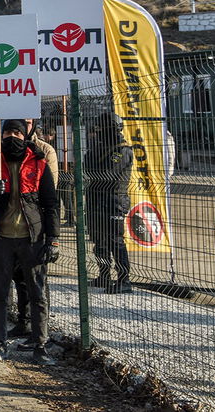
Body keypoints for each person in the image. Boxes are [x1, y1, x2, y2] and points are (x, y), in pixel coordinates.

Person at [0, 119, 60, 365]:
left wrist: (53, 239)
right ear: (0, 135)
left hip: (31, 239)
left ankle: (40, 345)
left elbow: (50, 203)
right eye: (7, 132)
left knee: (37, 293)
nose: (11, 136)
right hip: (2, 239)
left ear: (25, 136)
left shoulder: (39, 162)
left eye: (16, 132)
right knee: (0, 293)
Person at [86, 112, 133, 294]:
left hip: (114, 201)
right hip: (96, 200)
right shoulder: (99, 148)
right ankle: (104, 275)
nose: (97, 134)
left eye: (101, 130)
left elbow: (107, 174)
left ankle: (124, 279)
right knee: (99, 241)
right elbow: (88, 166)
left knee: (115, 241)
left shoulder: (123, 150)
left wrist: (94, 167)